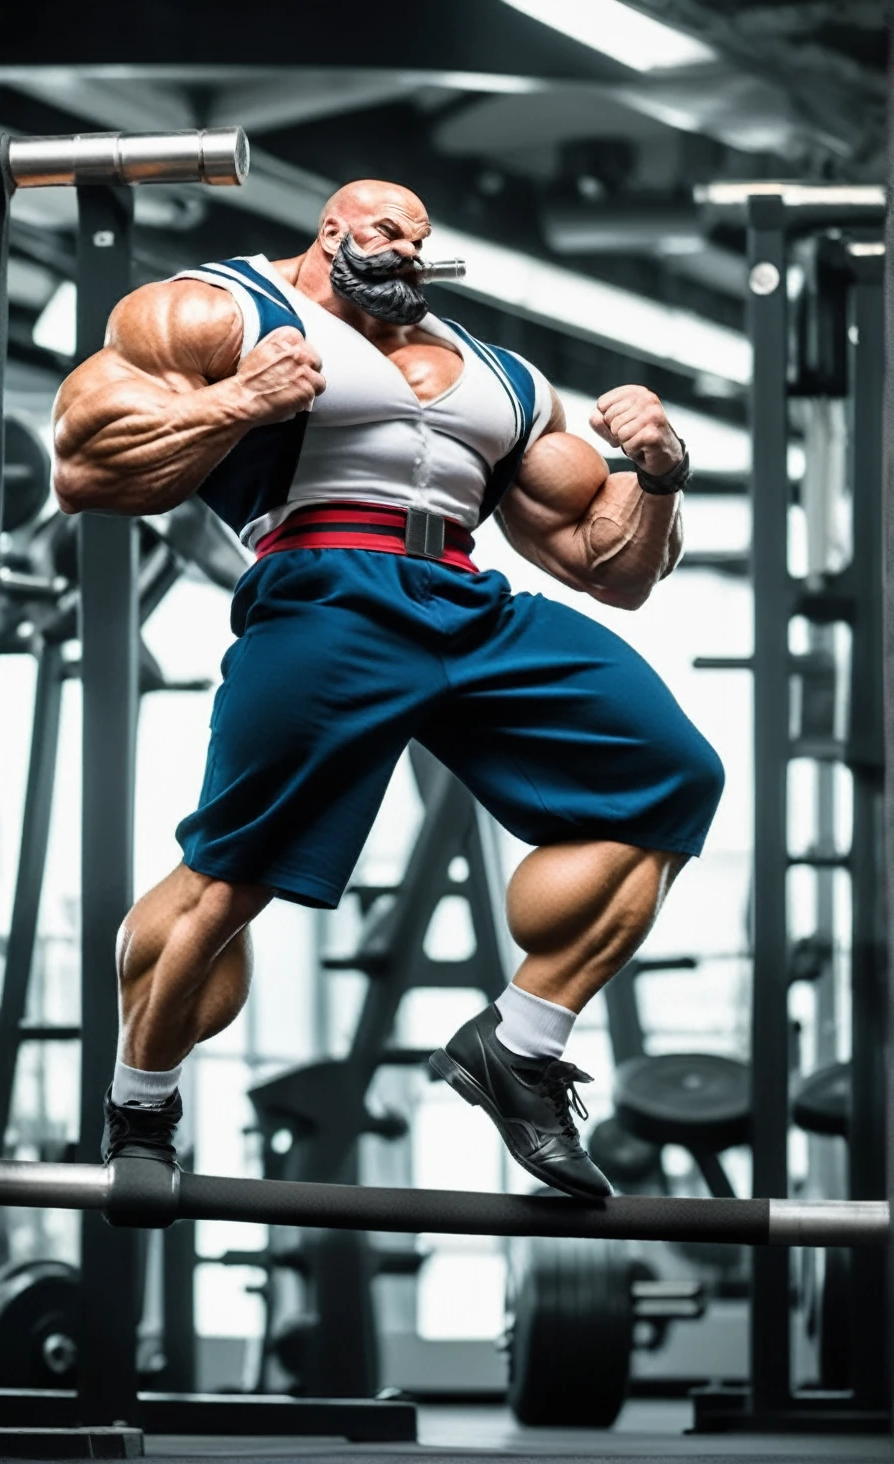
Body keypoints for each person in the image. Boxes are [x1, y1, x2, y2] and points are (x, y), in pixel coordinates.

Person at [52, 179, 723, 1201]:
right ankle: (140, 1104)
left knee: (671, 776)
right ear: (330, 230)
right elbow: (85, 468)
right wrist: (240, 400)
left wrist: (661, 474)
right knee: (232, 880)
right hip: (323, 586)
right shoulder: (219, 310)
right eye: (386, 232)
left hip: (463, 597)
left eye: (421, 237)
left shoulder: (500, 379)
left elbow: (608, 568)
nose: (407, 250)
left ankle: (520, 1046)